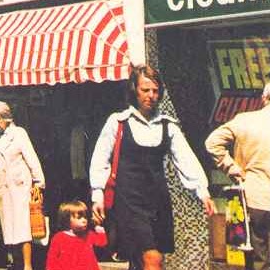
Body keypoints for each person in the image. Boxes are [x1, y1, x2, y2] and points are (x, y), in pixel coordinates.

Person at [89, 66, 213, 270]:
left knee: (144, 262)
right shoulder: (118, 122)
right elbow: (100, 159)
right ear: (134, 90)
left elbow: (185, 158)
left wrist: (202, 191)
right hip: (129, 201)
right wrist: (97, 195)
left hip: (158, 202)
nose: (151, 95)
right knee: (152, 259)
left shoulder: (168, 125)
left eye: (155, 91)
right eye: (145, 90)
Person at [205, 81, 270, 270]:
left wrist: (231, 167)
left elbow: (212, 143)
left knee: (257, 257)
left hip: (251, 199)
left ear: (264, 98)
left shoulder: (243, 120)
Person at [0, 100, 44, 270]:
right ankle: (16, 264)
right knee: (9, 229)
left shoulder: (19, 134)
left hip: (21, 187)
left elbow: (32, 159)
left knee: (23, 228)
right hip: (3, 190)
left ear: (6, 118)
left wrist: (38, 183)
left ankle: (28, 266)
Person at [45, 199, 106, 270]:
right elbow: (52, 259)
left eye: (85, 217)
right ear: (67, 219)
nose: (84, 220)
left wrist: (98, 227)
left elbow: (102, 243)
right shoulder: (59, 238)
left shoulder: (88, 234)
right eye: (79, 217)